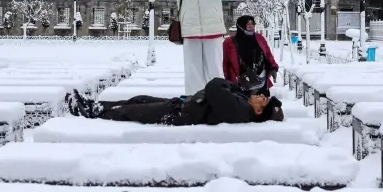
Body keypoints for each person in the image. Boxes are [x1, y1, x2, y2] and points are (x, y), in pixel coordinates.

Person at [67, 77, 283, 125]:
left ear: (257, 111)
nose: (262, 95)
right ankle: (95, 105)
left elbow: (215, 86)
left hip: (180, 115)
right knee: (138, 100)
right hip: (181, 105)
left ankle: (91, 111)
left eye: (264, 101)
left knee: (131, 111)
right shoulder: (244, 102)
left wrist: (231, 85)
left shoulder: (239, 110)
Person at [165, 0, 234, 95]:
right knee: (192, 71)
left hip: (213, 31)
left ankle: (219, 99)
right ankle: (194, 101)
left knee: (215, 70)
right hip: (190, 32)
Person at [223, 15, 280, 89]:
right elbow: (226, 63)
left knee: (261, 100)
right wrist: (228, 81)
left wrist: (273, 68)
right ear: (241, 25)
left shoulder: (259, 38)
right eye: (248, 24)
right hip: (240, 83)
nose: (251, 26)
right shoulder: (229, 42)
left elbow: (268, 54)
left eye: (252, 24)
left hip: (260, 81)